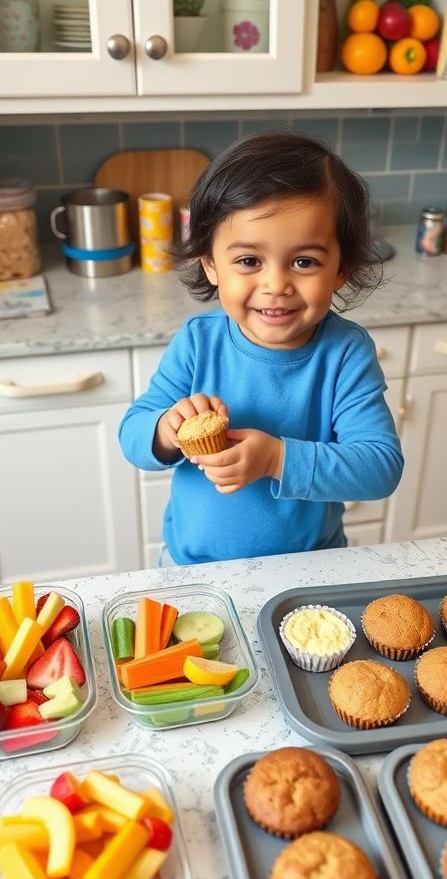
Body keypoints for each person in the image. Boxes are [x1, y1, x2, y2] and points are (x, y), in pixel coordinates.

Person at [119, 131, 403, 566]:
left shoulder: (345, 354)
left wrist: (276, 457)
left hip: (309, 568)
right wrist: (166, 429)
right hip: (191, 566)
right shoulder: (198, 343)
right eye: (249, 261)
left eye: (304, 262)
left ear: (341, 268)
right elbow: (132, 434)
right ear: (210, 264)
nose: (276, 286)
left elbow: (379, 468)